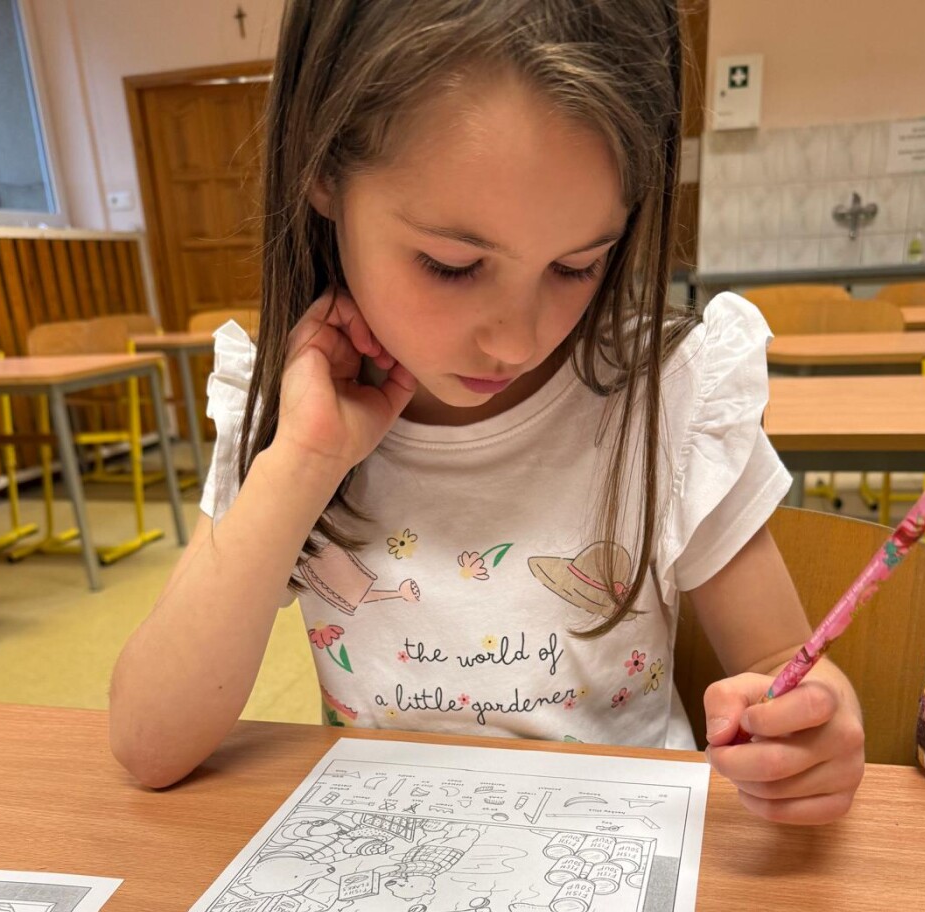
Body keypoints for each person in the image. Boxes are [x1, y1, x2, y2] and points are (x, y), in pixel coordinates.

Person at [110, 0, 864, 825]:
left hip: (611, 851)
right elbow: (151, 744)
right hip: (389, 857)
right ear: (323, 169)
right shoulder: (289, 407)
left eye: (578, 265)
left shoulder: (669, 398)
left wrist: (811, 726)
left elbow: (782, 661)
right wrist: (303, 461)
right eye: (452, 264)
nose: (516, 341)